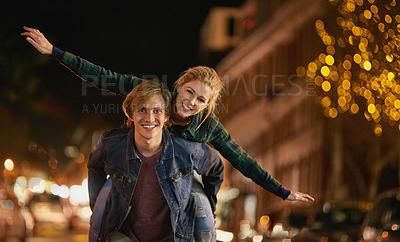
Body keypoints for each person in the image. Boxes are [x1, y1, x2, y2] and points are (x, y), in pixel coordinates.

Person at [21, 27, 314, 237]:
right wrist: (54, 52)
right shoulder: (153, 95)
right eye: (189, 92)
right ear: (178, 85)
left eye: (201, 100)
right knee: (107, 199)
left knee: (200, 204)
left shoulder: (207, 125)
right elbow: (103, 77)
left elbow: (242, 160)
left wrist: (282, 191)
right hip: (134, 165)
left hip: (178, 180)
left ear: (207, 106)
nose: (192, 102)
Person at [87, 78, 224, 242]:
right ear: (131, 113)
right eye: (142, 110)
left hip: (174, 238)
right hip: (124, 236)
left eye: (157, 111)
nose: (149, 118)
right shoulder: (111, 144)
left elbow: (216, 168)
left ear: (167, 115)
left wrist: (208, 206)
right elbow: (94, 166)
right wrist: (97, 205)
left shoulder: (187, 149)